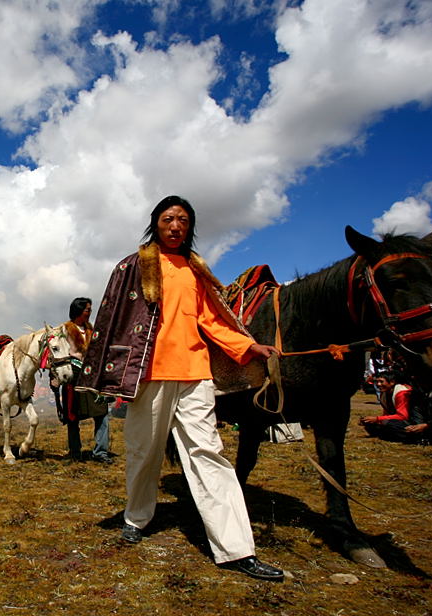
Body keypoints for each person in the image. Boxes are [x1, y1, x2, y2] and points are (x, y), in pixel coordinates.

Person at [76, 195, 284, 581]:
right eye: (168, 218)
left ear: (190, 228)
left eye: (183, 221)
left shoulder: (194, 270)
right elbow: (114, 317)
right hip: (148, 375)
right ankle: (136, 518)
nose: (176, 226)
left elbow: (212, 320)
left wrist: (247, 346)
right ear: (155, 223)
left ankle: (237, 548)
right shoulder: (134, 266)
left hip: (194, 374)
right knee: (144, 451)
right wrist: (110, 371)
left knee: (209, 453)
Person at [54, 297, 113, 464]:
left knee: (101, 413)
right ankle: (75, 452)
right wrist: (55, 377)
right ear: (79, 311)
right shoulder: (63, 330)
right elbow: (56, 355)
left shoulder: (90, 329)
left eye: (90, 310)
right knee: (73, 416)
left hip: (91, 376)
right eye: (87, 310)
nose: (90, 312)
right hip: (72, 375)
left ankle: (101, 452)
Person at [359, 370, 412, 442]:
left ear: (392, 382)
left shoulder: (401, 393)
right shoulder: (384, 394)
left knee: (388, 424)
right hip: (396, 421)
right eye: (376, 382)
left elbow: (403, 416)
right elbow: (387, 414)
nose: (378, 384)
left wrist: (377, 419)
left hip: (409, 422)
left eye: (381, 381)